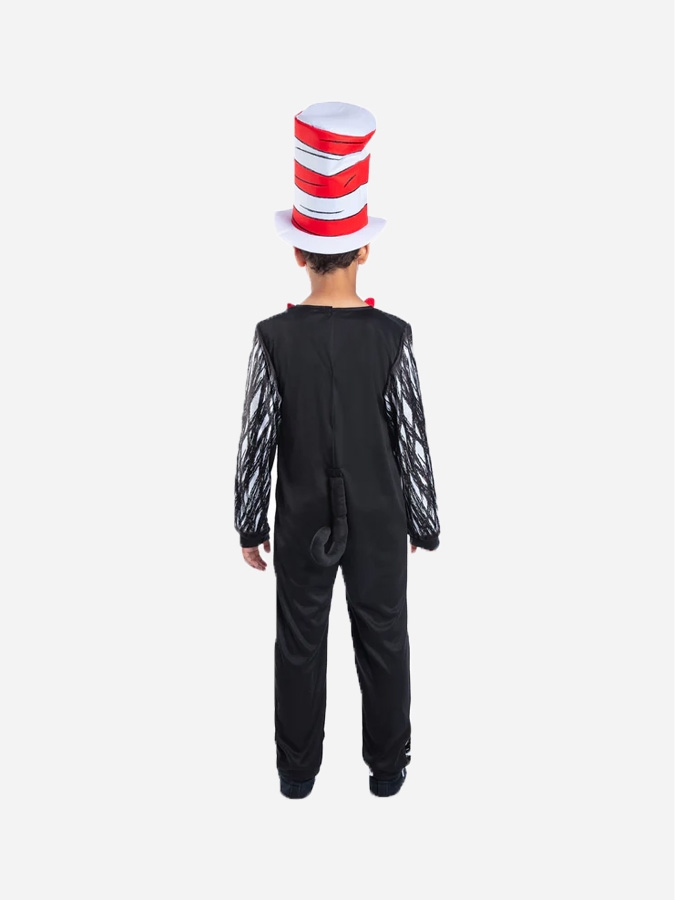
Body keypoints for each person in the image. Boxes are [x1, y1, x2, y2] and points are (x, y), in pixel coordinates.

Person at [234, 102, 440, 799]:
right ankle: (387, 770)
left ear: (297, 252)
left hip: (299, 512)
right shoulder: (392, 335)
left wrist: (248, 523)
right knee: (383, 634)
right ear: (365, 250)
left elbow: (258, 433)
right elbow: (410, 433)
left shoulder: (273, 336)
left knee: (298, 640)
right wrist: (422, 521)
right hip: (380, 513)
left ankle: (297, 774)